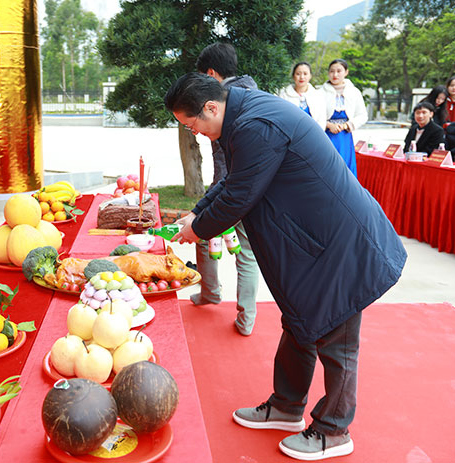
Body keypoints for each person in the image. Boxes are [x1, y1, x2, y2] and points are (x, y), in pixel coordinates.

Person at [164, 72, 406, 461]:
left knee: (336, 339)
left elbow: (240, 196)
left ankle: (333, 430)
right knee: (299, 323)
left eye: (193, 125)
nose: (196, 133)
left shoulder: (255, 125)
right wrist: (195, 214)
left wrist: (200, 229)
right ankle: (287, 406)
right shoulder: (241, 118)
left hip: (341, 244)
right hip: (314, 241)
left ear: (211, 107)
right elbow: (231, 183)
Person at [187, 42, 260, 337]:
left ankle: (210, 292)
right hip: (255, 185)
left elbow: (226, 159)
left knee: (202, 234)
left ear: (212, 73)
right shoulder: (253, 92)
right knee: (247, 252)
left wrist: (208, 204)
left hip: (230, 185)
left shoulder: (220, 101)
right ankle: (247, 317)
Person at [318, 59, 368, 176]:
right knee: (326, 167)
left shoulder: (354, 92)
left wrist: (347, 125)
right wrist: (328, 125)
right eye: (332, 71)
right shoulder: (319, 92)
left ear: (346, 72)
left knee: (345, 169)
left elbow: (362, 115)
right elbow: (314, 116)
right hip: (325, 135)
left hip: (345, 136)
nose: (335, 75)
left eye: (339, 71)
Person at [278, 62, 327, 129]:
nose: (302, 77)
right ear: (293, 76)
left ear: (310, 76)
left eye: (305, 74)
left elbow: (321, 120)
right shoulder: (283, 95)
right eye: (298, 74)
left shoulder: (318, 96)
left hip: (313, 134)